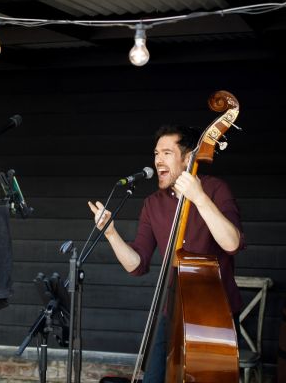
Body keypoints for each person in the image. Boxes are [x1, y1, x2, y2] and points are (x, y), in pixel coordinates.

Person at [88, 124, 244, 383]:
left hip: (215, 318)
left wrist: (199, 198)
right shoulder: (153, 204)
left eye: (167, 153)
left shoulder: (216, 190)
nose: (158, 160)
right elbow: (136, 264)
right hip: (170, 315)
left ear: (188, 157)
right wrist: (111, 234)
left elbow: (232, 243)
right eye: (156, 153)